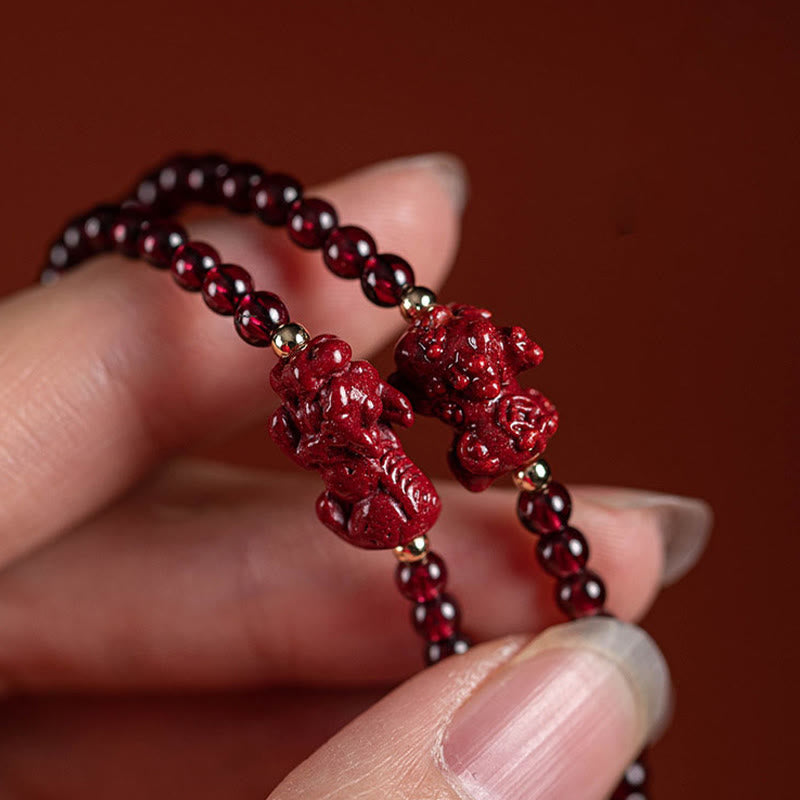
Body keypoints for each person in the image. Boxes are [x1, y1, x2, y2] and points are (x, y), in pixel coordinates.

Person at [0, 154, 711, 798]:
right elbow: (387, 406)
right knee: (431, 538)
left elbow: (462, 373)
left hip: (435, 467)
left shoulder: (399, 392)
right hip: (385, 494)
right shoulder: (330, 417)